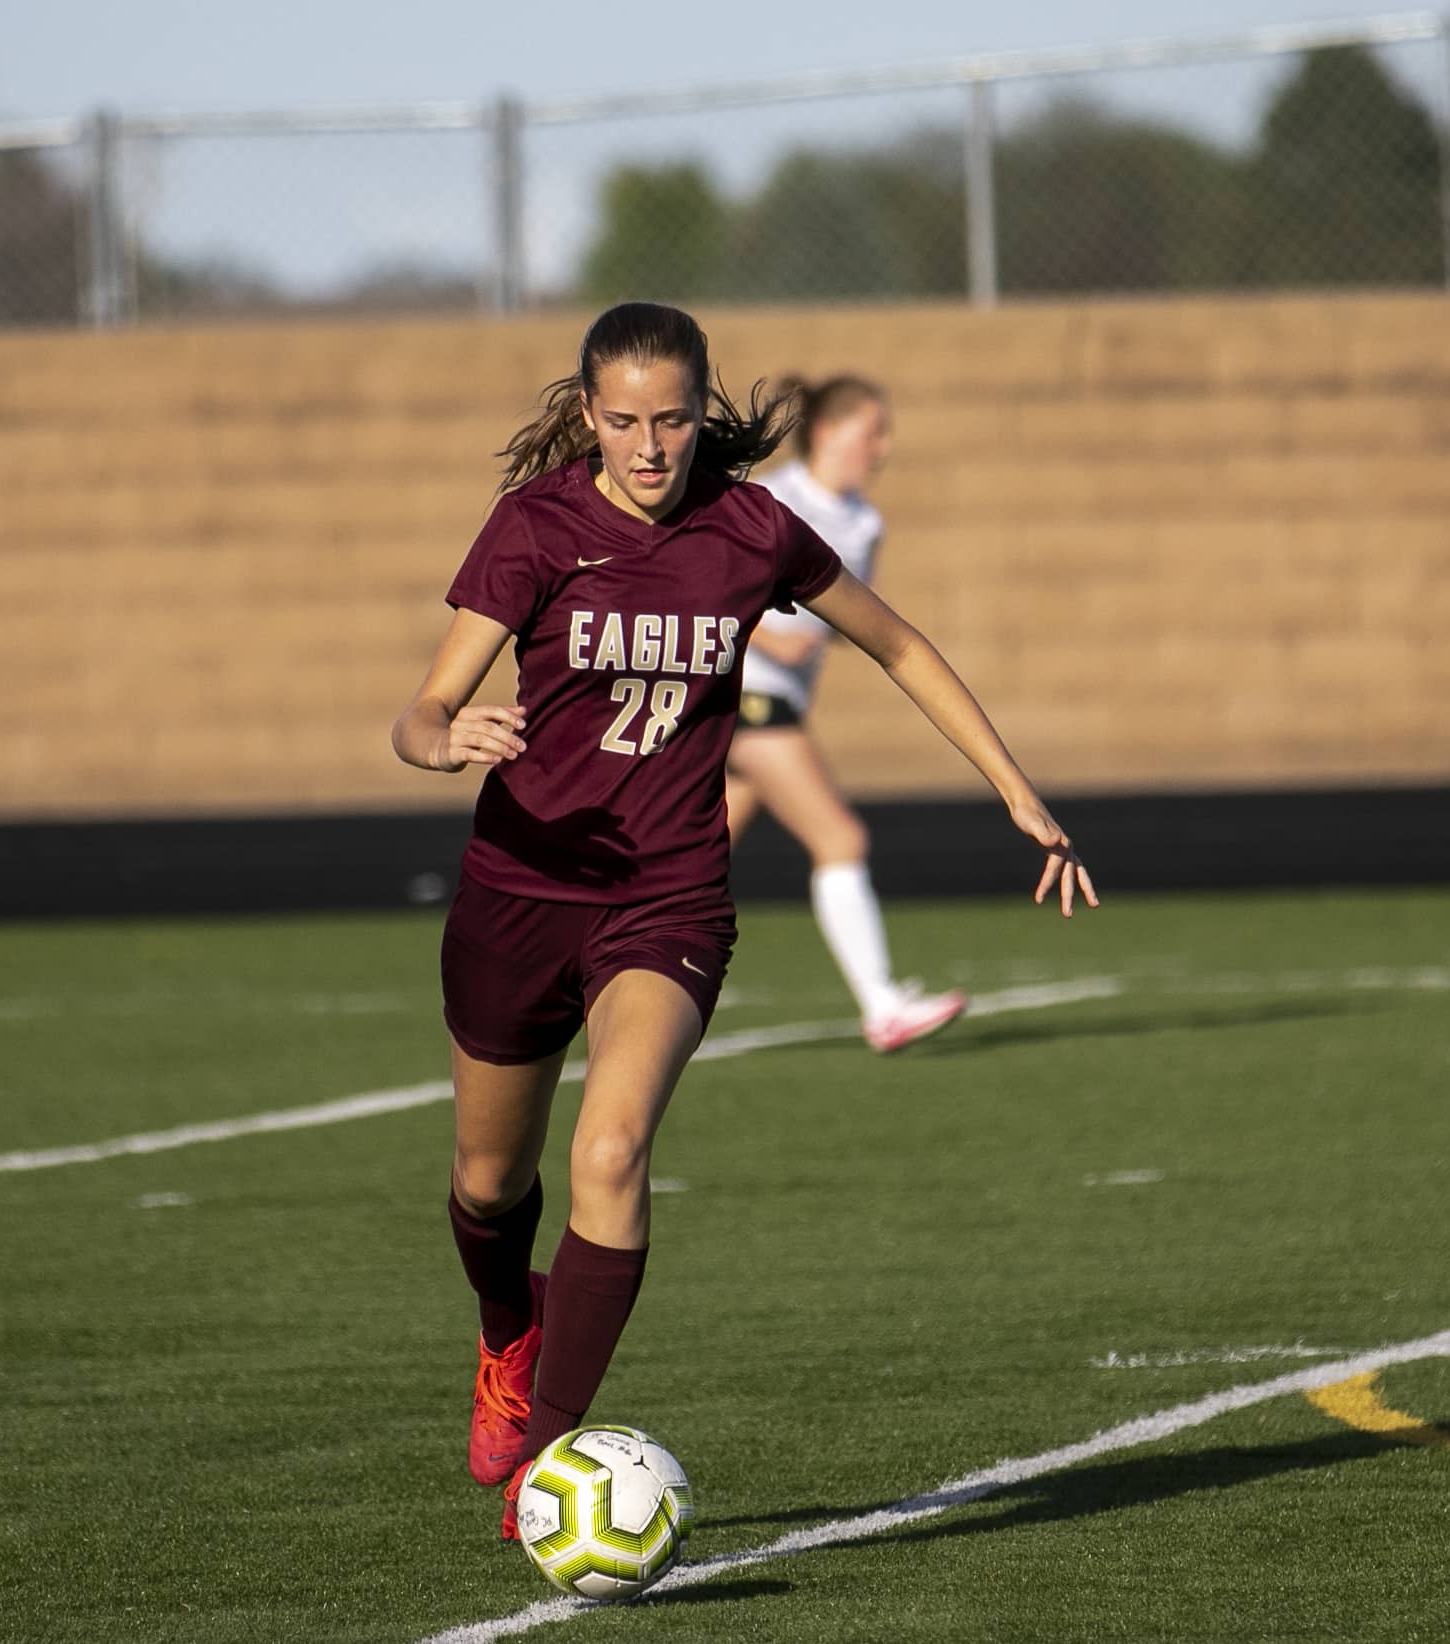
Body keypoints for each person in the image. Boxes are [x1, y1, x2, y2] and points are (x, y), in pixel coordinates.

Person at [390, 301, 1097, 1539]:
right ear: (588, 413)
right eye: (621, 422)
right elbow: (421, 709)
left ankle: (553, 1459)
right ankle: (510, 1335)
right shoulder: (538, 525)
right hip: (518, 893)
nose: (648, 447)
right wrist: (448, 741)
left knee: (609, 1155)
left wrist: (1016, 787)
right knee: (490, 1185)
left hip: (666, 898)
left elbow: (900, 646)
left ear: (702, 407)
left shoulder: (752, 526)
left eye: (670, 420)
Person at [731, 373, 967, 1052]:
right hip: (744, 692)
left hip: (778, 701)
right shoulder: (770, 498)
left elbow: (844, 617)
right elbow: (711, 595)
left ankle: (587, 967)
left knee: (693, 858)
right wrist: (771, 635)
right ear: (829, 433)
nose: (884, 447)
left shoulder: (864, 523)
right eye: (873, 432)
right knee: (840, 841)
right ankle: (881, 1006)